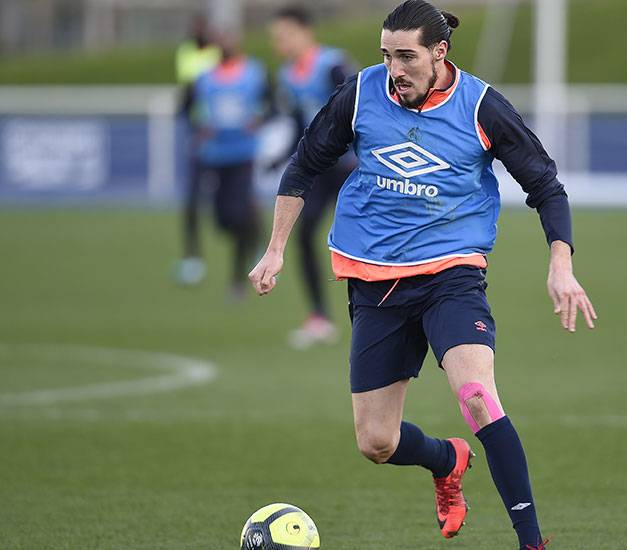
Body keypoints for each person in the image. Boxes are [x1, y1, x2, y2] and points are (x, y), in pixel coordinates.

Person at [249, 1, 597, 548]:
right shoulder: (361, 93)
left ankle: (531, 542)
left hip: (450, 276)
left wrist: (561, 264)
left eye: (407, 57)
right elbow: (306, 164)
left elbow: (546, 185)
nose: (396, 70)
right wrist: (274, 251)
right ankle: (446, 458)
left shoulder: (481, 106)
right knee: (377, 442)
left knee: (479, 397)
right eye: (387, 56)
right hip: (375, 281)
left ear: (440, 52)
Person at [269, 6, 357, 348]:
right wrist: (281, 158)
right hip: (319, 169)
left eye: (284, 35)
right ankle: (319, 317)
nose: (280, 43)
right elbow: (298, 126)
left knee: (357, 237)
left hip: (351, 167)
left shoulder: (333, 65)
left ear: (305, 32)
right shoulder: (288, 76)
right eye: (275, 38)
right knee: (304, 234)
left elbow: (356, 111)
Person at [192, 31, 271, 299]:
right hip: (215, 155)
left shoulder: (254, 73)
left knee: (237, 215)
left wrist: (258, 118)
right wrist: (200, 125)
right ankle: (256, 227)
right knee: (222, 220)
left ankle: (238, 277)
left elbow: (271, 103)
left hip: (243, 154)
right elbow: (190, 108)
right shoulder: (204, 78)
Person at [175, 14, 220, 286]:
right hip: (202, 139)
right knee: (191, 201)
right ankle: (192, 257)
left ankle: (255, 246)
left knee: (234, 206)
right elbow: (188, 95)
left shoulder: (218, 56)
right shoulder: (186, 52)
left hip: (226, 142)